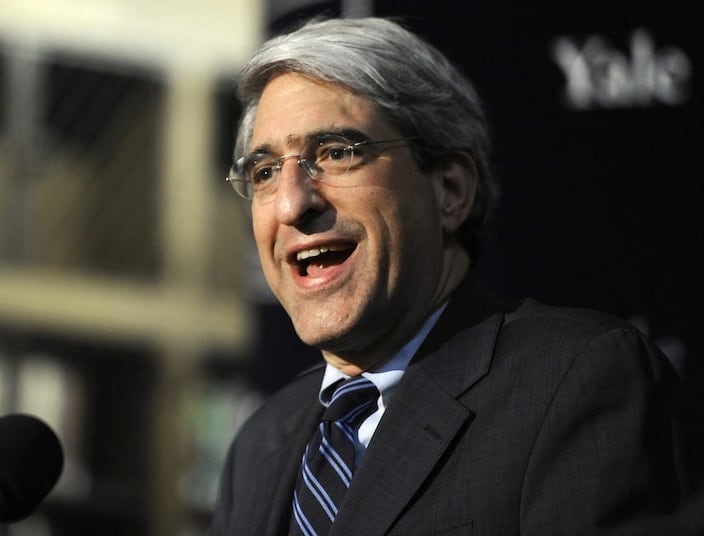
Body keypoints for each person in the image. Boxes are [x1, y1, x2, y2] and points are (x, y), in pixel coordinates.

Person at [210, 16, 704, 535]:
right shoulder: (262, 442)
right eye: (265, 172)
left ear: (449, 191)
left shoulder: (576, 380)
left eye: (336, 153)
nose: (291, 203)